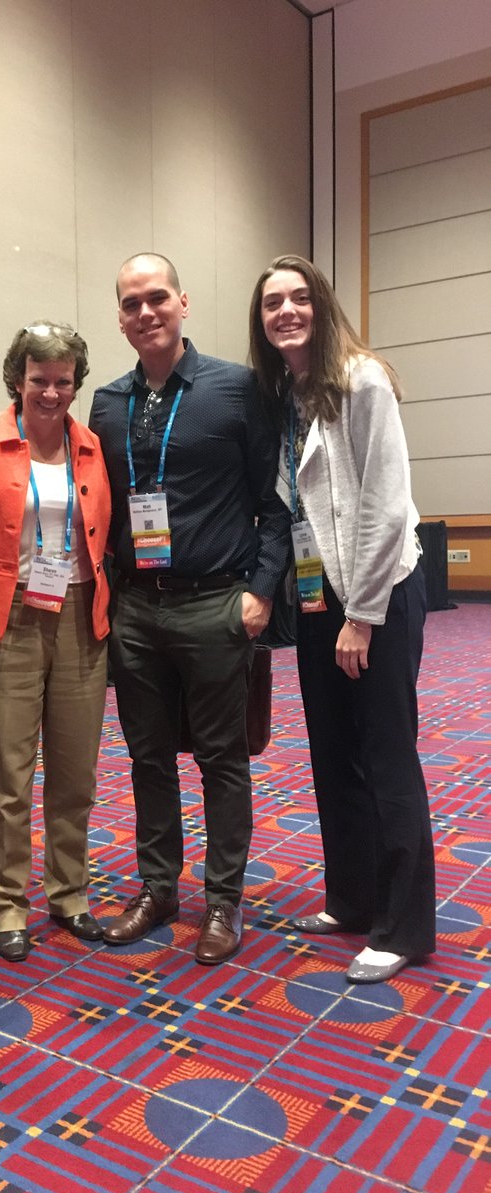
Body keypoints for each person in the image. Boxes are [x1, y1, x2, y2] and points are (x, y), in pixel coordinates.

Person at [89, 253, 290, 964]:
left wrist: (260, 591)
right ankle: (158, 888)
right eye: (132, 302)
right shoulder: (108, 403)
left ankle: (225, 900)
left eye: (157, 299)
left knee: (221, 759)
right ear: (120, 316)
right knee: (147, 758)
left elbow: (275, 502)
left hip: (216, 603)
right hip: (137, 611)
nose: (146, 312)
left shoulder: (236, 389)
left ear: (183, 302)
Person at [249, 254, 435, 983]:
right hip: (317, 592)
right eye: (272, 304)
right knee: (332, 749)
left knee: (386, 751)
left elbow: (387, 505)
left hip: (377, 590)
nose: (286, 311)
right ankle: (353, 896)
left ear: (322, 307)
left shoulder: (363, 379)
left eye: (299, 298)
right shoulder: (286, 393)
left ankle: (405, 925)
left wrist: (363, 614)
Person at [0, 323, 111, 962]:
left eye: (63, 381)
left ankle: (70, 893)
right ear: (18, 378)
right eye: (39, 379)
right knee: (7, 773)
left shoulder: (91, 446)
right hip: (4, 617)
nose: (51, 392)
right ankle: (8, 903)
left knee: (75, 770)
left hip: (78, 614)